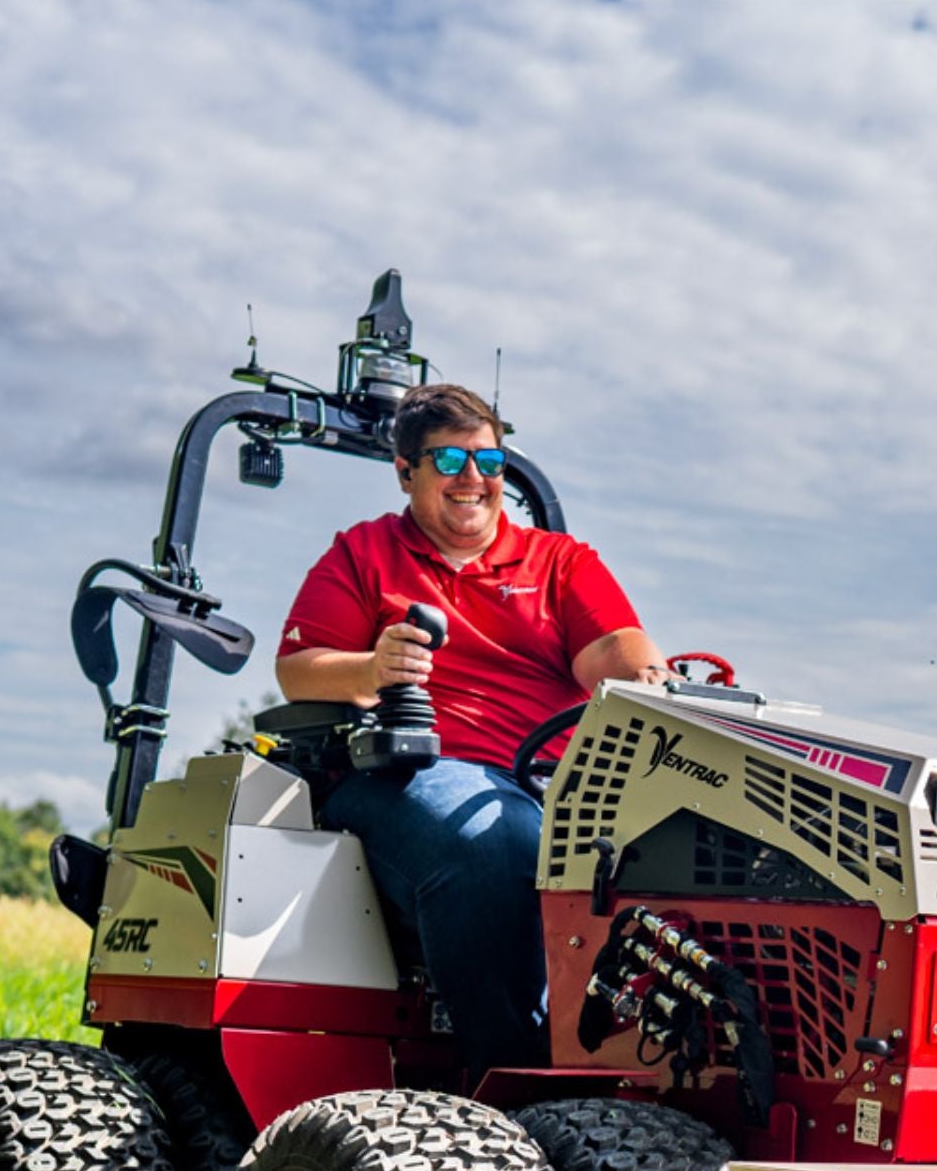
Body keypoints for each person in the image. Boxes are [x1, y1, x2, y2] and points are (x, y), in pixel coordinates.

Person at [276, 382, 669, 1077]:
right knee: (492, 841)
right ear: (405, 472)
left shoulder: (560, 562)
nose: (474, 480)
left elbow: (612, 649)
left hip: (552, 785)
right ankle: (515, 1081)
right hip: (408, 776)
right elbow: (297, 671)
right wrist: (373, 666)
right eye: (450, 461)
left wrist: (648, 676)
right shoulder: (364, 554)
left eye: (488, 463)